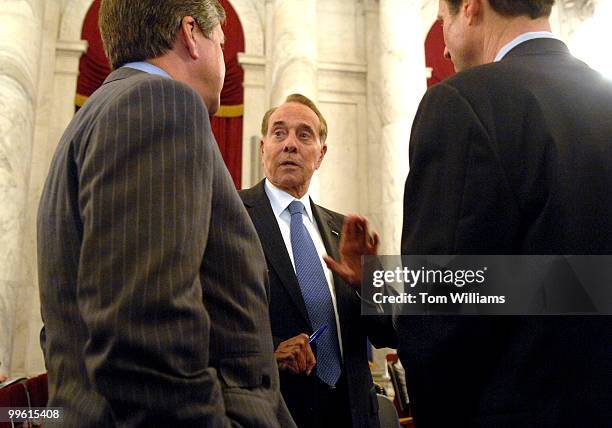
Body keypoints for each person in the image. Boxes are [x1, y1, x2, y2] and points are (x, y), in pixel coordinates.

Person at [328, 0, 612, 426]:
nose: (442, 50)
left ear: (472, 8)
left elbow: (445, 320)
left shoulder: (462, 102)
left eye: (443, 19)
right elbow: (554, 281)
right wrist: (376, 282)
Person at [37, 1, 293, 426]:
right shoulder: (160, 102)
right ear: (191, 34)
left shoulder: (98, 113)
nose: (224, 62)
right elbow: (145, 332)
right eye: (221, 44)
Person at [239, 94, 396, 427]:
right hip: (276, 413)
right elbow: (209, 318)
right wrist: (268, 354)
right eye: (279, 133)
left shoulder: (346, 232)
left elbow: (390, 332)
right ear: (263, 148)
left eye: (304, 135)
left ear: (321, 155)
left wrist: (369, 284)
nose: (290, 144)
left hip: (353, 414)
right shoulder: (232, 218)